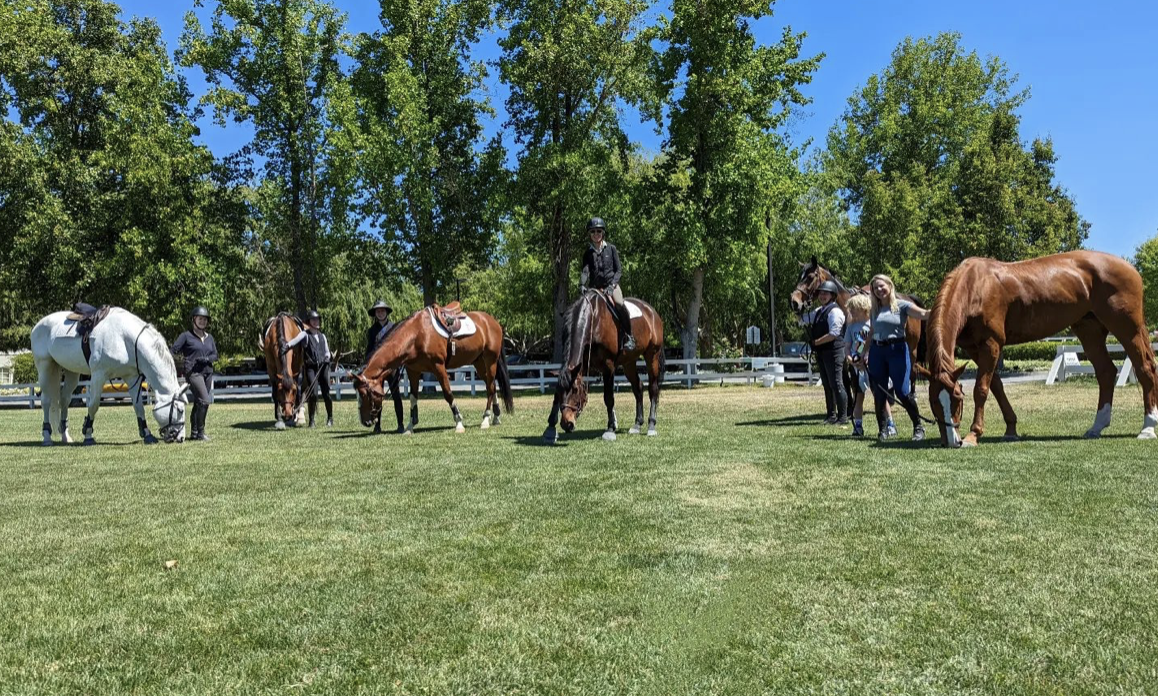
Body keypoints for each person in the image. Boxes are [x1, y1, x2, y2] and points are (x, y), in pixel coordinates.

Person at [867, 274, 929, 441]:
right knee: (879, 393)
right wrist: (862, 353)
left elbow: (923, 314)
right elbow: (871, 332)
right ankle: (883, 429)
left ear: (889, 285)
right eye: (875, 288)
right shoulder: (874, 309)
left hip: (897, 350)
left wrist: (939, 310)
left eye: (881, 286)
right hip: (877, 352)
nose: (879, 290)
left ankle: (918, 427)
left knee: (902, 392)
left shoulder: (902, 306)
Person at [579, 217, 635, 351]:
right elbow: (585, 271)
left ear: (603, 233)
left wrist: (612, 286)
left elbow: (619, 270)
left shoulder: (611, 249)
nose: (596, 234)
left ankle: (629, 336)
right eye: (593, 232)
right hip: (594, 288)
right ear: (590, 234)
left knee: (620, 304)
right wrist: (581, 284)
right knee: (581, 309)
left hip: (611, 285)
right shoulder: (587, 253)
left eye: (598, 231)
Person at [843, 293, 893, 437]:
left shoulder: (873, 325)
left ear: (863, 308)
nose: (851, 312)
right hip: (857, 368)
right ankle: (858, 426)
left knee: (880, 396)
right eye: (850, 309)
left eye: (854, 309)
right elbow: (848, 346)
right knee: (858, 397)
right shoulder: (851, 327)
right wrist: (850, 359)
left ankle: (890, 423)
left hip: (872, 366)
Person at [801, 280, 848, 425]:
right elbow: (802, 320)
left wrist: (816, 342)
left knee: (837, 384)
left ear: (832, 296)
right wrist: (801, 307)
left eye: (825, 294)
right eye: (821, 293)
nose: (822, 296)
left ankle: (843, 417)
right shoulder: (819, 311)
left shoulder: (835, 311)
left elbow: (834, 333)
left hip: (833, 351)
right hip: (822, 352)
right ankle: (831, 415)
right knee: (827, 385)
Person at [171, 306, 218, 441]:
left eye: (205, 319)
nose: (203, 321)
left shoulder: (210, 338)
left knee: (198, 403)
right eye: (200, 319)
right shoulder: (186, 336)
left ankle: (194, 432)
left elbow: (215, 355)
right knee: (204, 400)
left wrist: (207, 359)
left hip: (207, 372)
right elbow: (173, 350)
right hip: (193, 373)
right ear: (194, 319)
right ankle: (201, 433)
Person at [365, 300, 405, 433]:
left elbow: (399, 348)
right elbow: (370, 350)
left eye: (382, 310)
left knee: (396, 396)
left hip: (392, 368)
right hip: (378, 370)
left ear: (386, 312)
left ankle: (400, 424)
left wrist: (398, 365)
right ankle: (377, 426)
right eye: (378, 311)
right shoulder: (372, 331)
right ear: (375, 314)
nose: (380, 313)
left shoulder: (395, 328)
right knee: (377, 398)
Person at [289, 310, 334, 428]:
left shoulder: (322, 336)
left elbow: (327, 352)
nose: (317, 321)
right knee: (313, 394)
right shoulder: (305, 334)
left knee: (326, 394)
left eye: (318, 319)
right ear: (309, 322)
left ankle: (330, 417)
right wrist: (287, 345)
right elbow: (296, 340)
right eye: (314, 319)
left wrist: (327, 357)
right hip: (311, 368)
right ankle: (312, 420)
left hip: (323, 366)